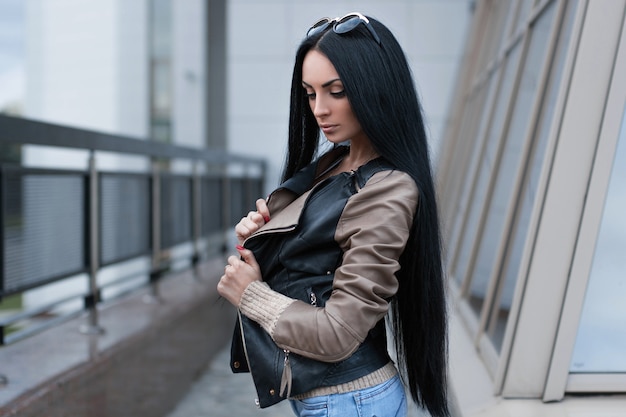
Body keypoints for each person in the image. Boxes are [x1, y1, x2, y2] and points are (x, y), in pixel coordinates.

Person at [217, 12, 449, 417]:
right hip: (335, 399)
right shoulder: (336, 162)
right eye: (309, 93)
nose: (319, 109)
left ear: (374, 89)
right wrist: (265, 231)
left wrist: (251, 294)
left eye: (336, 91)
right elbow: (316, 257)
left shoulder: (388, 188)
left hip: (349, 401)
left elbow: (339, 333)